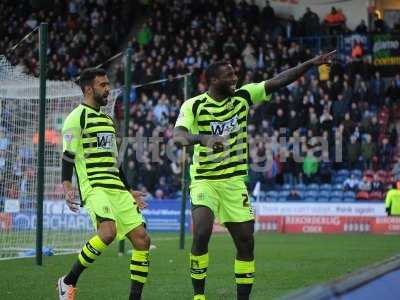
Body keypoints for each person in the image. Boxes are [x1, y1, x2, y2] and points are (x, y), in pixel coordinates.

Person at [174, 51, 336, 300]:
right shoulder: (193, 105)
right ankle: (199, 296)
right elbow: (179, 137)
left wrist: (311, 64)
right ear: (214, 80)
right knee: (202, 232)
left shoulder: (243, 97)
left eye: (235, 74)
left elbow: (278, 81)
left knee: (246, 242)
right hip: (205, 179)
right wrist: (202, 138)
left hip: (234, 182)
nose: (235, 78)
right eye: (229, 76)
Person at [57, 68, 150, 300]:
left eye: (108, 84)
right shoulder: (76, 117)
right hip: (95, 186)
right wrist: (67, 186)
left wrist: (129, 191)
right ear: (89, 88)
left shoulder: (108, 119)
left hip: (117, 188)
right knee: (107, 233)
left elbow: (114, 161)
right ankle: (68, 282)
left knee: (142, 240)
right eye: (103, 85)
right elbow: (68, 155)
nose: (108, 89)